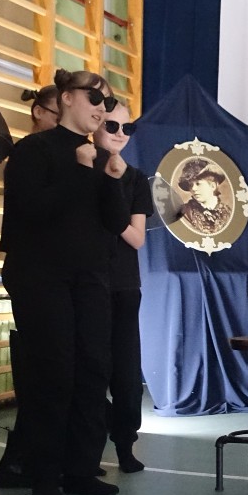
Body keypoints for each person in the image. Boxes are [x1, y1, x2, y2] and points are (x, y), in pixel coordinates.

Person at [0, 68, 129, 495]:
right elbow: (33, 211)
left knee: (93, 371)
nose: (101, 109)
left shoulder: (99, 155)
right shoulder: (32, 151)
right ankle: (44, 474)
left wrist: (112, 179)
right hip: (41, 277)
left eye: (107, 103)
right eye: (94, 98)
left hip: (90, 278)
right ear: (67, 98)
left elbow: (115, 223)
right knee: (52, 373)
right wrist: (80, 171)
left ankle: (81, 469)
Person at [0, 85, 63, 486]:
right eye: (56, 113)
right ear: (39, 112)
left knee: (48, 369)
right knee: (40, 368)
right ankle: (19, 461)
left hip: (47, 268)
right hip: (31, 268)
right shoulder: (28, 154)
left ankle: (31, 458)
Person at [94, 103, 152, 473]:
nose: (120, 134)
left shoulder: (135, 178)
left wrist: (113, 208)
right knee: (87, 371)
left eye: (127, 127)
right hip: (86, 284)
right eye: (112, 125)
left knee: (127, 373)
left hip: (124, 286)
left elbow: (137, 238)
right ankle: (87, 448)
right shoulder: (81, 172)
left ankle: (125, 444)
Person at [177, 157, 231, 235]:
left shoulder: (227, 211)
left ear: (213, 186)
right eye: (191, 185)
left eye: (198, 183)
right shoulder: (185, 212)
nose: (193, 189)